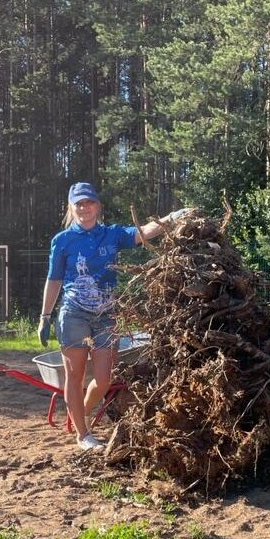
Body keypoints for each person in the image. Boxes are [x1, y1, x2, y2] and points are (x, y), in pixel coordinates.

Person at [38, 182, 190, 451]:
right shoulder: (62, 241)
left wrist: (172, 218)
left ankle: (80, 413)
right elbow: (54, 280)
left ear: (98, 206)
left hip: (106, 315)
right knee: (74, 376)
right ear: (72, 208)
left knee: (104, 378)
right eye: (79, 204)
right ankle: (83, 435)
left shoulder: (112, 234)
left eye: (89, 202)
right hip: (73, 315)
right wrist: (45, 316)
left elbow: (143, 232)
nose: (84, 208)